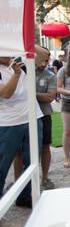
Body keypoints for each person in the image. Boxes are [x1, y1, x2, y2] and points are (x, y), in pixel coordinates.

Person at [0, 49, 44, 208]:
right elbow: (5, 93)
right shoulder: (15, 69)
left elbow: (43, 55)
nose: (7, 54)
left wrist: (23, 43)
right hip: (8, 123)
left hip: (33, 118)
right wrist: (16, 74)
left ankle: (24, 196)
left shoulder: (19, 62)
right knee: (2, 165)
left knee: (31, 161)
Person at [14, 46, 57, 190]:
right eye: (42, 59)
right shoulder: (22, 70)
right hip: (22, 115)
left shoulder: (49, 75)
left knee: (45, 146)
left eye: (47, 60)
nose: (44, 63)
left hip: (43, 114)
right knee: (19, 150)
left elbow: (50, 97)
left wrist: (30, 93)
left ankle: (45, 177)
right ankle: (18, 181)